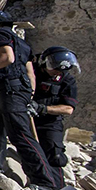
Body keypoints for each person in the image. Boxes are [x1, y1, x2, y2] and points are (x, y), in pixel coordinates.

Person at [0, 10, 62, 190]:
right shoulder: (22, 43)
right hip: (12, 92)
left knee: (21, 136)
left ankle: (46, 182)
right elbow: (30, 73)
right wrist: (28, 96)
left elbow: (7, 58)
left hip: (10, 91)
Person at [30, 46, 80, 180]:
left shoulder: (67, 81)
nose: (57, 73)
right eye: (55, 69)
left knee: (55, 156)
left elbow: (68, 109)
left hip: (49, 122)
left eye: (61, 71)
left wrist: (43, 109)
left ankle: (55, 186)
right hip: (26, 116)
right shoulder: (31, 69)